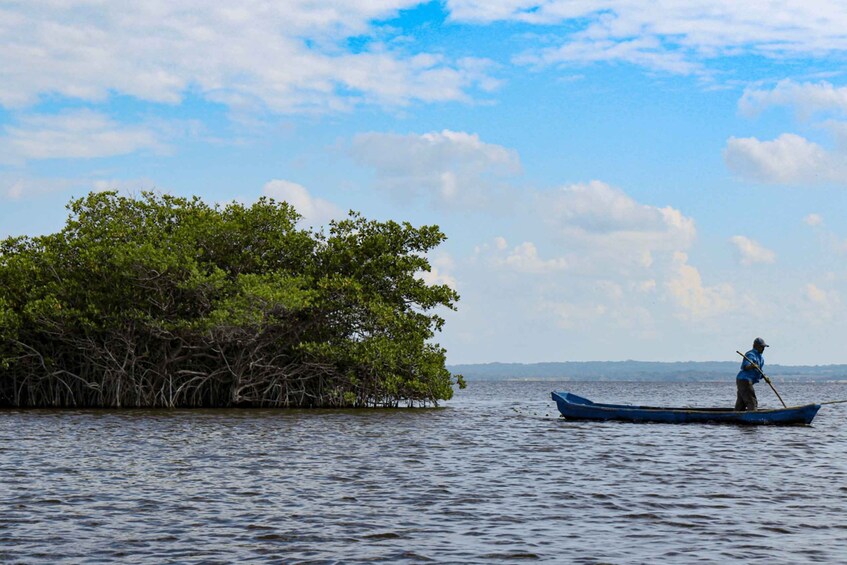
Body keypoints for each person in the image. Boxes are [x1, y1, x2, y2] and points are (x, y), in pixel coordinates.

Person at [736, 337, 768, 411]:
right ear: (756, 346)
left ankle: (735, 416)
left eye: (764, 347)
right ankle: (752, 416)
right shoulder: (750, 354)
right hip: (744, 380)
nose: (763, 349)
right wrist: (751, 366)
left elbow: (759, 371)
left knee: (741, 403)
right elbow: (745, 366)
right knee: (751, 401)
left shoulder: (761, 358)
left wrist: (764, 376)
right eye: (761, 347)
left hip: (746, 381)